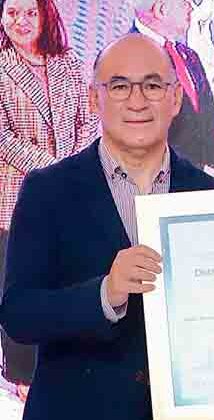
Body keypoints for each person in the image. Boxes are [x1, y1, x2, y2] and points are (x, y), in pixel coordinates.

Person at [0, 33, 214, 419]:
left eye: (152, 86)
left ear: (175, 99)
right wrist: (106, 293)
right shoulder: (47, 190)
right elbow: (19, 314)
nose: (137, 101)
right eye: (120, 86)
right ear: (94, 99)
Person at [0, 0, 99, 388]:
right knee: (19, 290)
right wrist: (55, 168)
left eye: (30, 12)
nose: (21, 21)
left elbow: (88, 120)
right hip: (16, 199)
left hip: (71, 198)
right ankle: (22, 379)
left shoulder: (68, 62)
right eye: (12, 13)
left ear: (45, 16)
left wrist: (72, 167)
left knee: (67, 286)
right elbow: (3, 138)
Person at [133, 0, 214, 176]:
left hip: (203, 178)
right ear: (161, 9)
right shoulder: (124, 56)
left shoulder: (189, 56)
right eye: (185, 2)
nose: (192, 8)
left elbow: (210, 113)